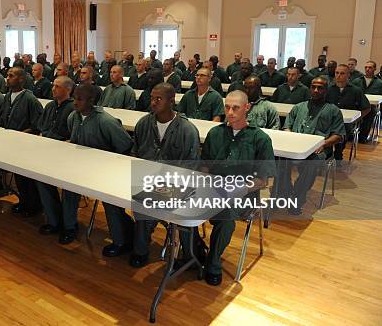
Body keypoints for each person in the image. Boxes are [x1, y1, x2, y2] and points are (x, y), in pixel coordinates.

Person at [185, 90, 275, 286]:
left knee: (226, 219)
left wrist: (238, 190)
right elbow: (205, 167)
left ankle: (213, 263)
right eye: (227, 107)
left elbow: (262, 180)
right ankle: (194, 251)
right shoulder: (215, 133)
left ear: (247, 108)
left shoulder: (260, 139)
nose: (231, 112)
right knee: (182, 206)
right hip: (214, 189)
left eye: (236, 108)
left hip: (244, 194)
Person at [129, 83, 201, 267]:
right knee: (137, 203)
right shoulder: (144, 123)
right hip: (145, 182)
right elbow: (135, 155)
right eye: (152, 98)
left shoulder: (187, 130)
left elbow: (190, 169)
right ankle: (138, 248)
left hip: (176, 186)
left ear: (171, 101)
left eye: (158, 99)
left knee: (150, 206)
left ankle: (191, 255)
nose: (153, 102)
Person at [67, 84, 133, 254]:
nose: (75, 102)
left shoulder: (105, 121)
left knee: (110, 202)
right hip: (82, 167)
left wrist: (110, 166)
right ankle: (68, 226)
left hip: (105, 171)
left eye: (79, 99)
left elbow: (126, 146)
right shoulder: (73, 117)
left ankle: (120, 241)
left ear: (92, 101)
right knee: (68, 189)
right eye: (74, 98)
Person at [282, 77, 345, 214]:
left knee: (310, 163)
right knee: (278, 160)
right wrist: (290, 136)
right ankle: (284, 191)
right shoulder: (299, 107)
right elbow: (287, 126)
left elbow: (339, 136)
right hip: (295, 147)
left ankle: (297, 198)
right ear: (310, 88)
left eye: (320, 87)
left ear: (326, 90)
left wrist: (324, 143)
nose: (316, 90)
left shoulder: (333, 110)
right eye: (313, 87)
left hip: (320, 150)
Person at [35, 77, 78, 243]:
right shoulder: (50, 106)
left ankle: (70, 226)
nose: (53, 89)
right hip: (47, 150)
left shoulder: (74, 108)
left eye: (57, 86)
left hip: (66, 154)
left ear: (68, 90)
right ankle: (53, 220)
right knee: (42, 181)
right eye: (53, 85)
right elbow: (41, 126)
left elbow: (72, 136)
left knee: (69, 189)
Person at [0, 67, 43, 216]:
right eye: (7, 75)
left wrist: (20, 135)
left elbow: (37, 125)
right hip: (11, 142)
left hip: (25, 144)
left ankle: (34, 205)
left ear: (21, 79)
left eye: (11, 76)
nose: (7, 78)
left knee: (27, 177)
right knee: (18, 175)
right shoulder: (7, 96)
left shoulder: (30, 99)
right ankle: (24, 201)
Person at [326, 64, 370, 161]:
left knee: (342, 132)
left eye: (342, 73)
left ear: (348, 75)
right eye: (337, 73)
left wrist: (356, 119)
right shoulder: (328, 89)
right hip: (329, 121)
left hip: (346, 124)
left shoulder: (356, 90)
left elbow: (367, 108)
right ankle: (327, 154)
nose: (338, 75)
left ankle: (338, 154)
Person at [352, 61, 382, 142]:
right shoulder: (356, 81)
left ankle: (363, 136)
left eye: (370, 67)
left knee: (371, 111)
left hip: (371, 106)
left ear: (375, 69)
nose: (367, 69)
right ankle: (351, 134)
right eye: (366, 67)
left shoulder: (379, 83)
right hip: (357, 105)